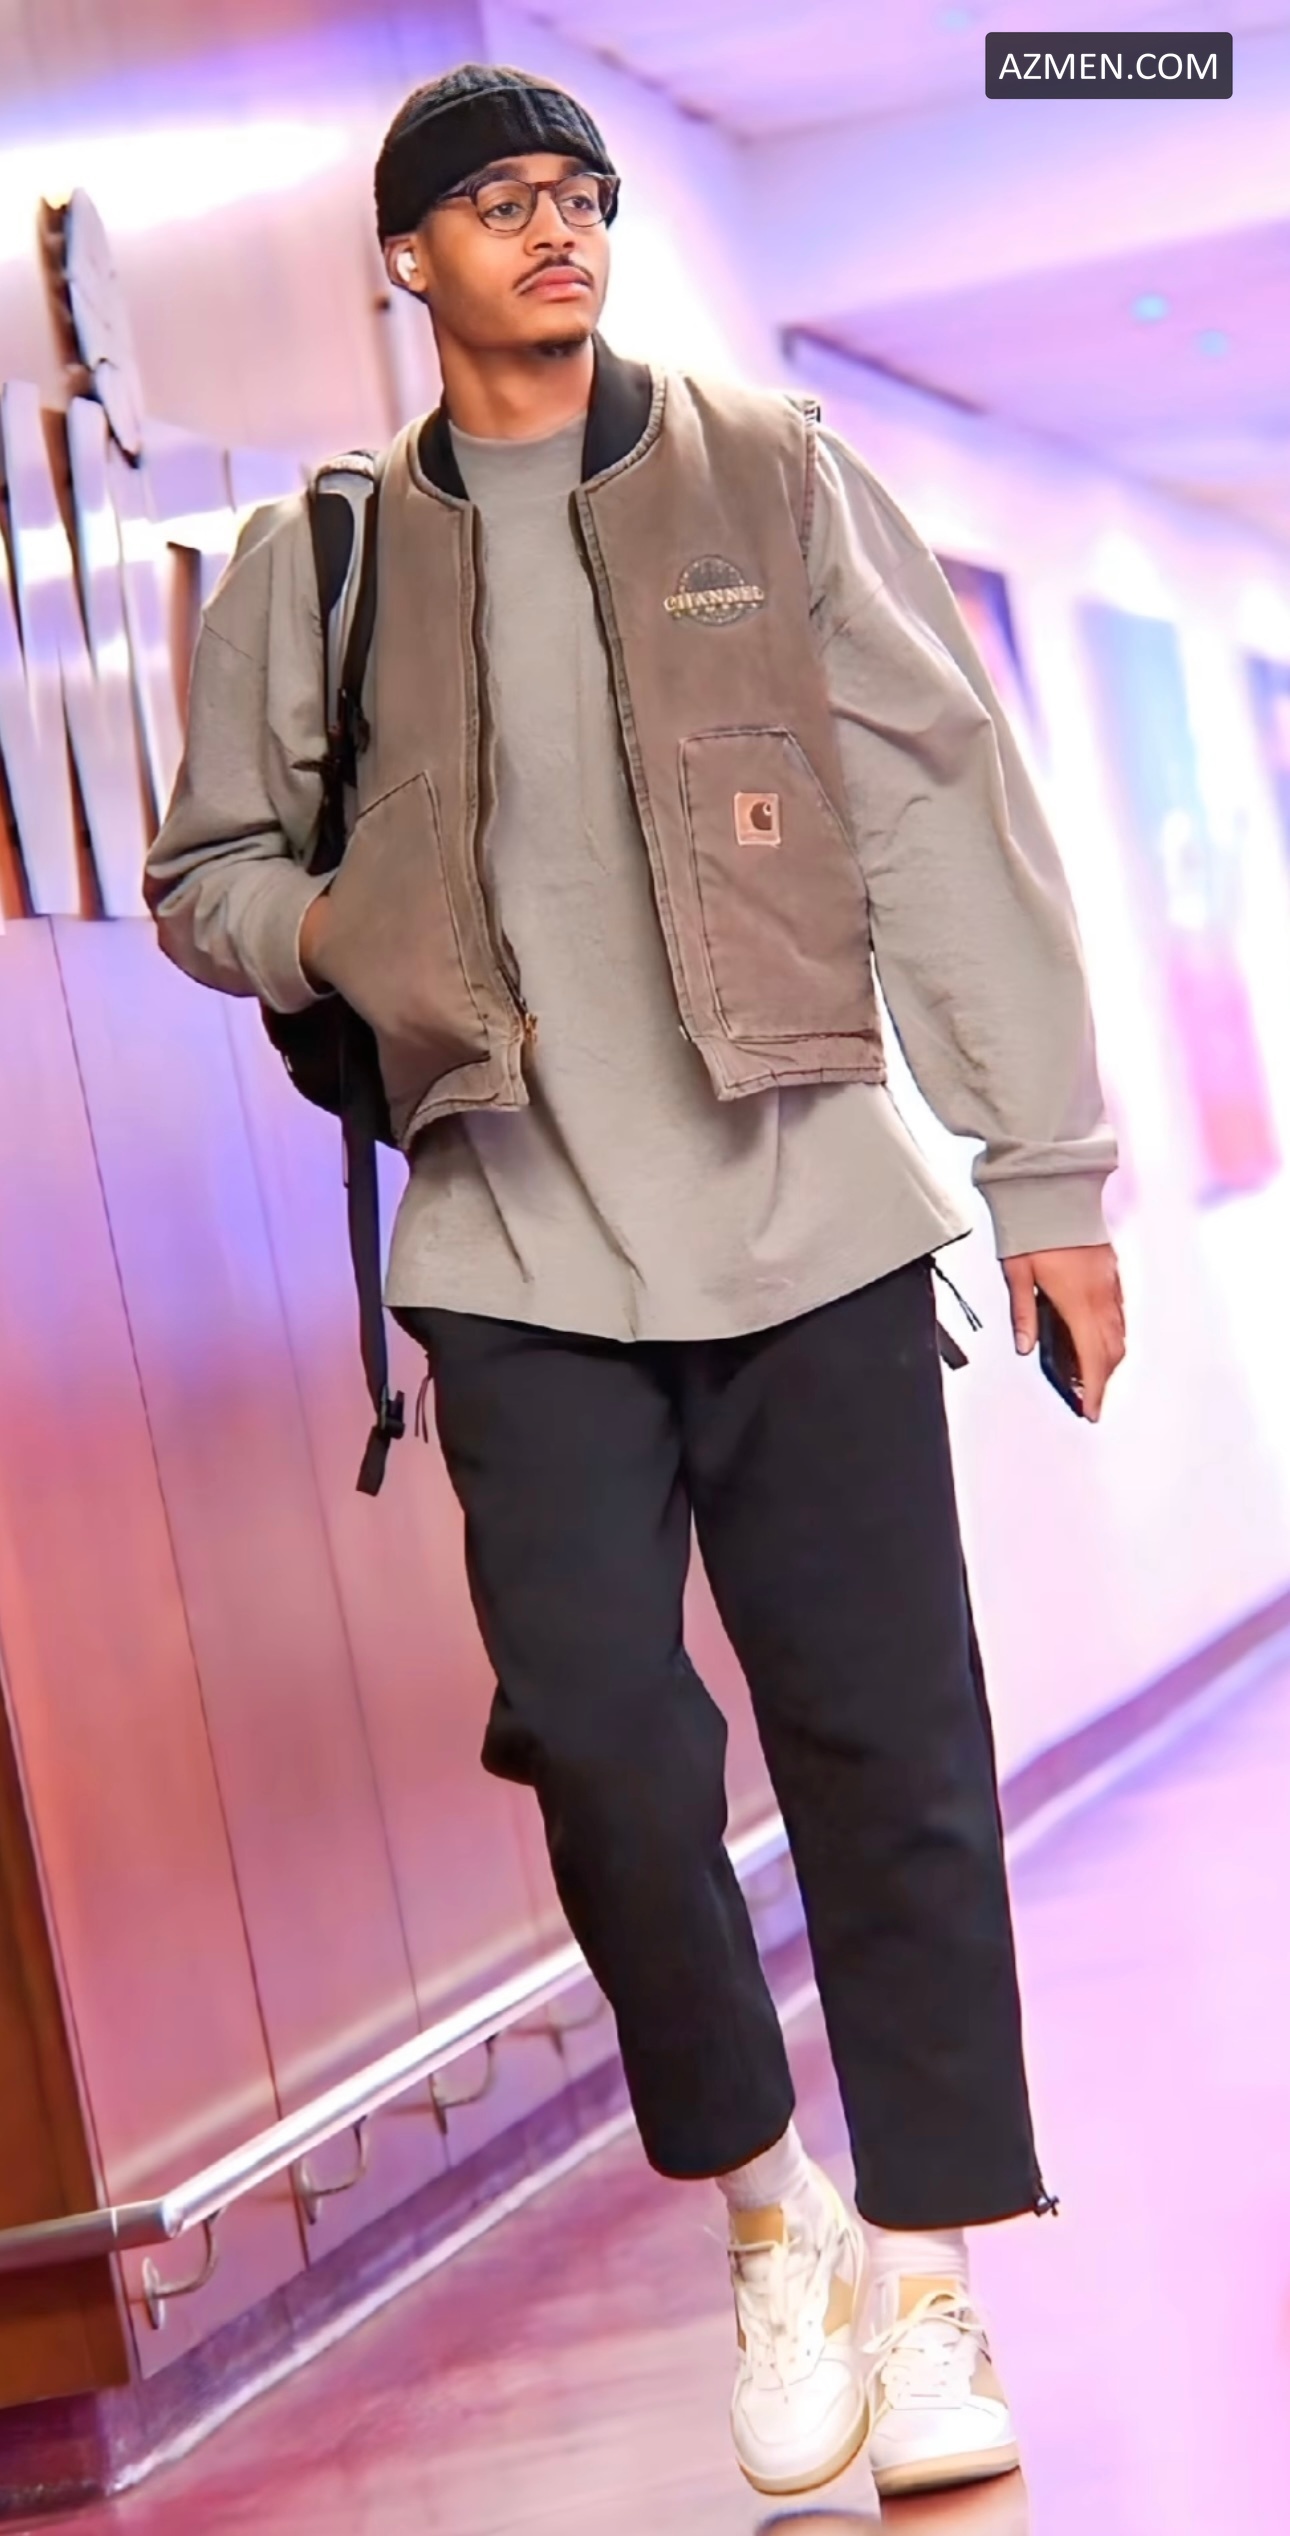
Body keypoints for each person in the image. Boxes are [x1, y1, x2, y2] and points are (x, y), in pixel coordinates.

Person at [145, 62, 1126, 2503]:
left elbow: (943, 811)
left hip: (813, 1226)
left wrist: (1047, 1174)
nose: (556, 227)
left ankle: (931, 2274)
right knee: (599, 1741)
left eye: (579, 193)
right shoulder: (324, 554)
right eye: (499, 201)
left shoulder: (770, 475)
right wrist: (332, 929)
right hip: (513, 1248)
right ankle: (771, 2211)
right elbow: (207, 875)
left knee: (891, 1752)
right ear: (409, 256)